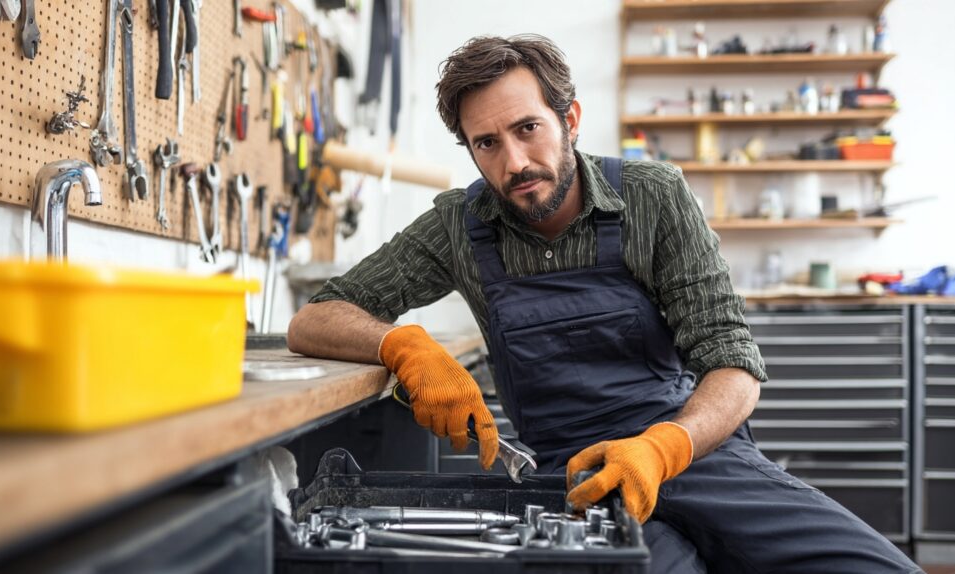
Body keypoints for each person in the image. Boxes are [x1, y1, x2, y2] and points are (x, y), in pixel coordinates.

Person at [287, 34, 921, 573]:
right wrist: (402, 345)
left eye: (527, 128)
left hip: (693, 451)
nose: (513, 162)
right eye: (486, 143)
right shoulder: (461, 224)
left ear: (570, 119)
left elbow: (734, 365)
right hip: (576, 478)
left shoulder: (653, 196)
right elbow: (316, 315)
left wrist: (663, 448)